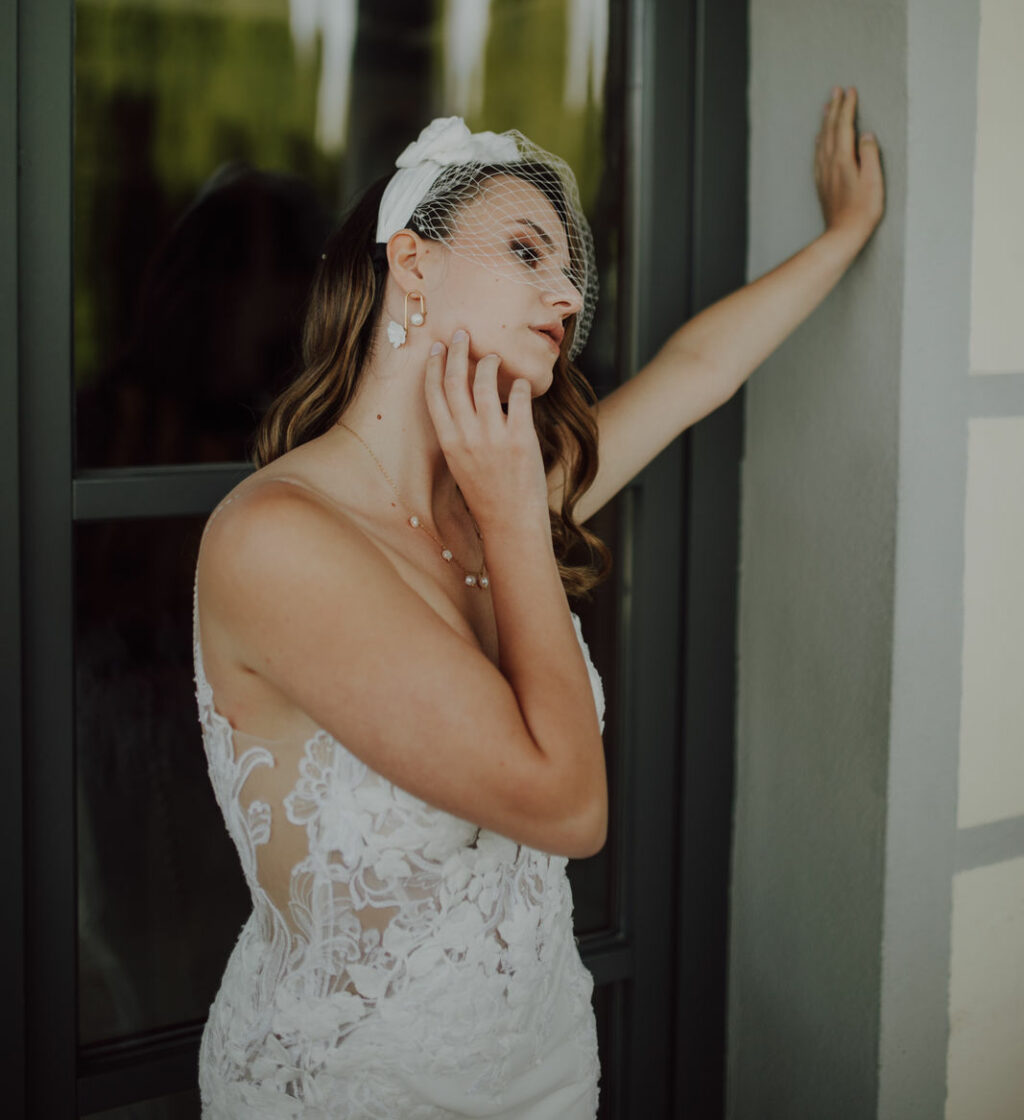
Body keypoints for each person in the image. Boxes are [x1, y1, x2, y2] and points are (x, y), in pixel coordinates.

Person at [192, 90, 884, 1118]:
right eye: (526, 251)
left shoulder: (497, 495)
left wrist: (844, 236)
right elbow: (568, 807)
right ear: (412, 263)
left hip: (546, 1071)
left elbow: (696, 372)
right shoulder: (276, 542)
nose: (565, 291)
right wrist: (518, 517)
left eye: (569, 269)